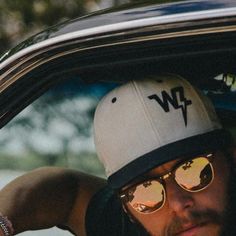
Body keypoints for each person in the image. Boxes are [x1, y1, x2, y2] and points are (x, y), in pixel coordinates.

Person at [0, 74, 235, 236]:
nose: (177, 203)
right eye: (145, 190)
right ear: (128, 211)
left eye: (194, 170)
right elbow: (67, 191)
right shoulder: (128, 224)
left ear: (231, 158)